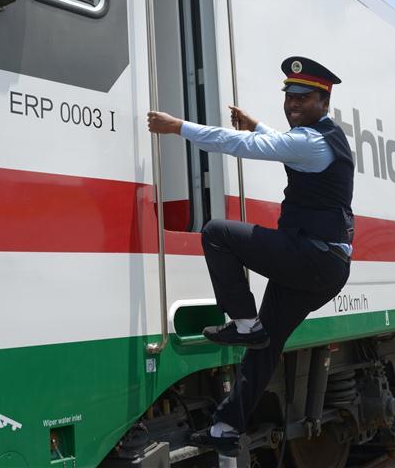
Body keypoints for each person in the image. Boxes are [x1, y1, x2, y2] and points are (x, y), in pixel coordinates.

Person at [146, 56, 354, 455]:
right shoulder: (327, 137)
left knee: (217, 233)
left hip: (313, 256)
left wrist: (178, 128)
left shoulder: (310, 142)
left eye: (303, 97)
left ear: (324, 102)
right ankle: (226, 426)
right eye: (289, 96)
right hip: (324, 264)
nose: (293, 103)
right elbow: (279, 143)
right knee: (265, 346)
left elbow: (247, 146)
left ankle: (243, 322)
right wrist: (257, 124)